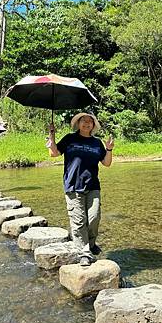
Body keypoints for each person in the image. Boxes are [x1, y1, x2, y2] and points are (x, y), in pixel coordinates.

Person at [46, 112, 114, 266]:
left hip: (93, 185)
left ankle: (90, 244)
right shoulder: (70, 138)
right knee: (78, 221)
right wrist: (52, 137)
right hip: (72, 185)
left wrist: (109, 149)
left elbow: (107, 163)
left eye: (90, 121)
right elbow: (54, 153)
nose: (87, 123)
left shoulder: (97, 143)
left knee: (94, 218)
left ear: (93, 125)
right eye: (84, 120)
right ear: (78, 123)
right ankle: (84, 253)